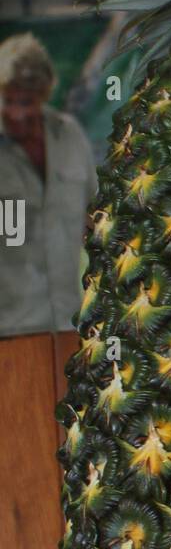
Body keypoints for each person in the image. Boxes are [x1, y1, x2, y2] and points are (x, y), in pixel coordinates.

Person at [0, 33, 98, 336]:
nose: (16, 113)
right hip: (10, 330)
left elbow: (95, 215)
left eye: (26, 102)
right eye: (7, 100)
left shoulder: (69, 135)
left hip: (71, 322)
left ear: (44, 94)